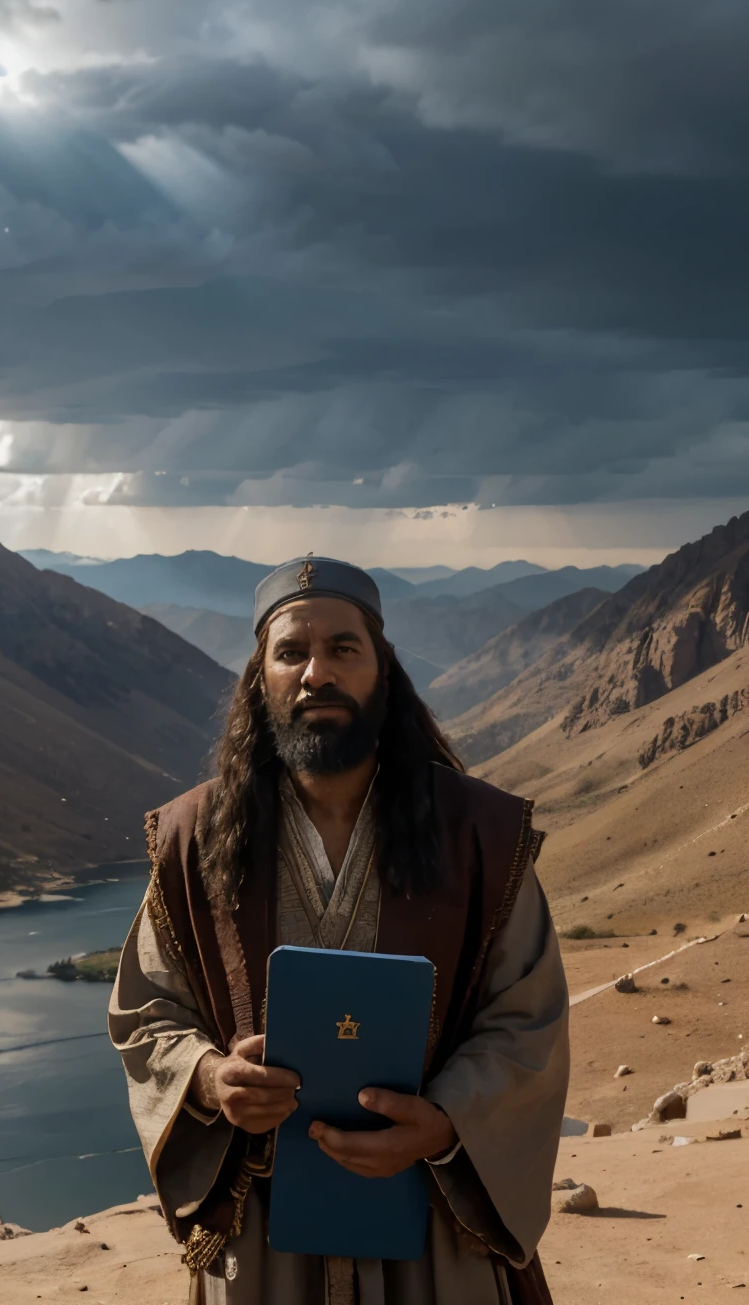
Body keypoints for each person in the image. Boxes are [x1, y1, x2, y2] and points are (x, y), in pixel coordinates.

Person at [109, 556, 569, 1304]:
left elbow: (528, 1019)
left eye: (342, 649)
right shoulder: (195, 839)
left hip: (432, 1231)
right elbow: (146, 1012)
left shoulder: (478, 835)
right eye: (291, 652)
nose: (316, 672)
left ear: (381, 669)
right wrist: (209, 1076)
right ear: (260, 679)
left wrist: (446, 1120)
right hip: (262, 1237)